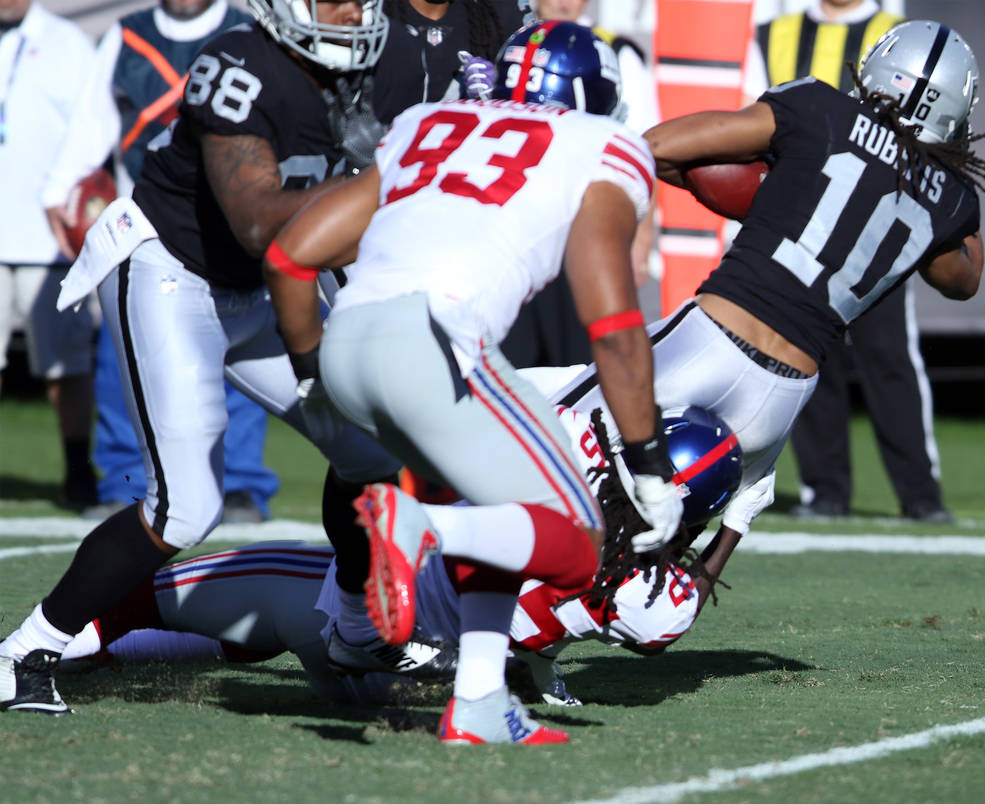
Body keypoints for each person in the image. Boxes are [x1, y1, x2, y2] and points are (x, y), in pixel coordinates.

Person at [262, 20, 683, 744]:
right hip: (432, 342)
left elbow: (290, 257)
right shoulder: (600, 144)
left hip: (348, 339)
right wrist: (648, 466)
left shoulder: (430, 122)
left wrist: (312, 378)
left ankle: (480, 700)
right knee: (579, 541)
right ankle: (420, 529)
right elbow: (613, 323)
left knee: (506, 509)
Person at [0, 0, 406, 718]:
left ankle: (353, 630)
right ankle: (22, 654)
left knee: (371, 450)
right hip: (172, 273)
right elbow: (255, 221)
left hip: (259, 289)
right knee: (186, 507)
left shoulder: (366, 69)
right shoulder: (239, 64)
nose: (352, 11)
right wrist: (385, 188)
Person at [551, 19, 985, 610]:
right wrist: (943, 163)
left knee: (540, 432)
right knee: (648, 545)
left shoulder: (819, 107)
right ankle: (570, 628)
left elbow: (655, 147)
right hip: (782, 398)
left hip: (712, 338)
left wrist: (759, 195)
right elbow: (964, 278)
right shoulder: (951, 201)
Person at [58, 401, 754, 708]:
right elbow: (669, 612)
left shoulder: (571, 443)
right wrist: (731, 530)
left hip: (352, 612)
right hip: (424, 684)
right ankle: (113, 651)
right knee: (250, 632)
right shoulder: (656, 601)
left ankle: (56, 651)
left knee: (140, 601)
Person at [40, 0, 279, 525]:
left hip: (233, 227)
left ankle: (239, 483)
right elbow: (92, 123)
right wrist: (60, 192)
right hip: (145, 233)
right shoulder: (128, 37)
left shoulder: (251, 33)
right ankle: (126, 479)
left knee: (241, 355)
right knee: (122, 362)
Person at [744, 0, 954, 524]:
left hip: (881, 224)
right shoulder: (773, 34)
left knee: (889, 357)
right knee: (808, 353)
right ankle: (825, 489)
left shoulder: (897, 33)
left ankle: (921, 494)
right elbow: (753, 118)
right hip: (802, 223)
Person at [500, 0, 659, 368]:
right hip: (514, 228)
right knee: (514, 363)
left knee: (580, 365)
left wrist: (639, 239)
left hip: (580, 226)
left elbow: (642, 150)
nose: (564, 1)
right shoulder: (509, 42)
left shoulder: (616, 52)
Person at [0, 0, 98, 509]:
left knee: (66, 365)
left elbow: (93, 130)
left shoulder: (67, 43)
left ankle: (78, 471)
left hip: (49, 238)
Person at [371, 0, 530, 125]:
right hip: (386, 146)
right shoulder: (375, 17)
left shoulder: (485, 20)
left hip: (455, 149)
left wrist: (497, 97)